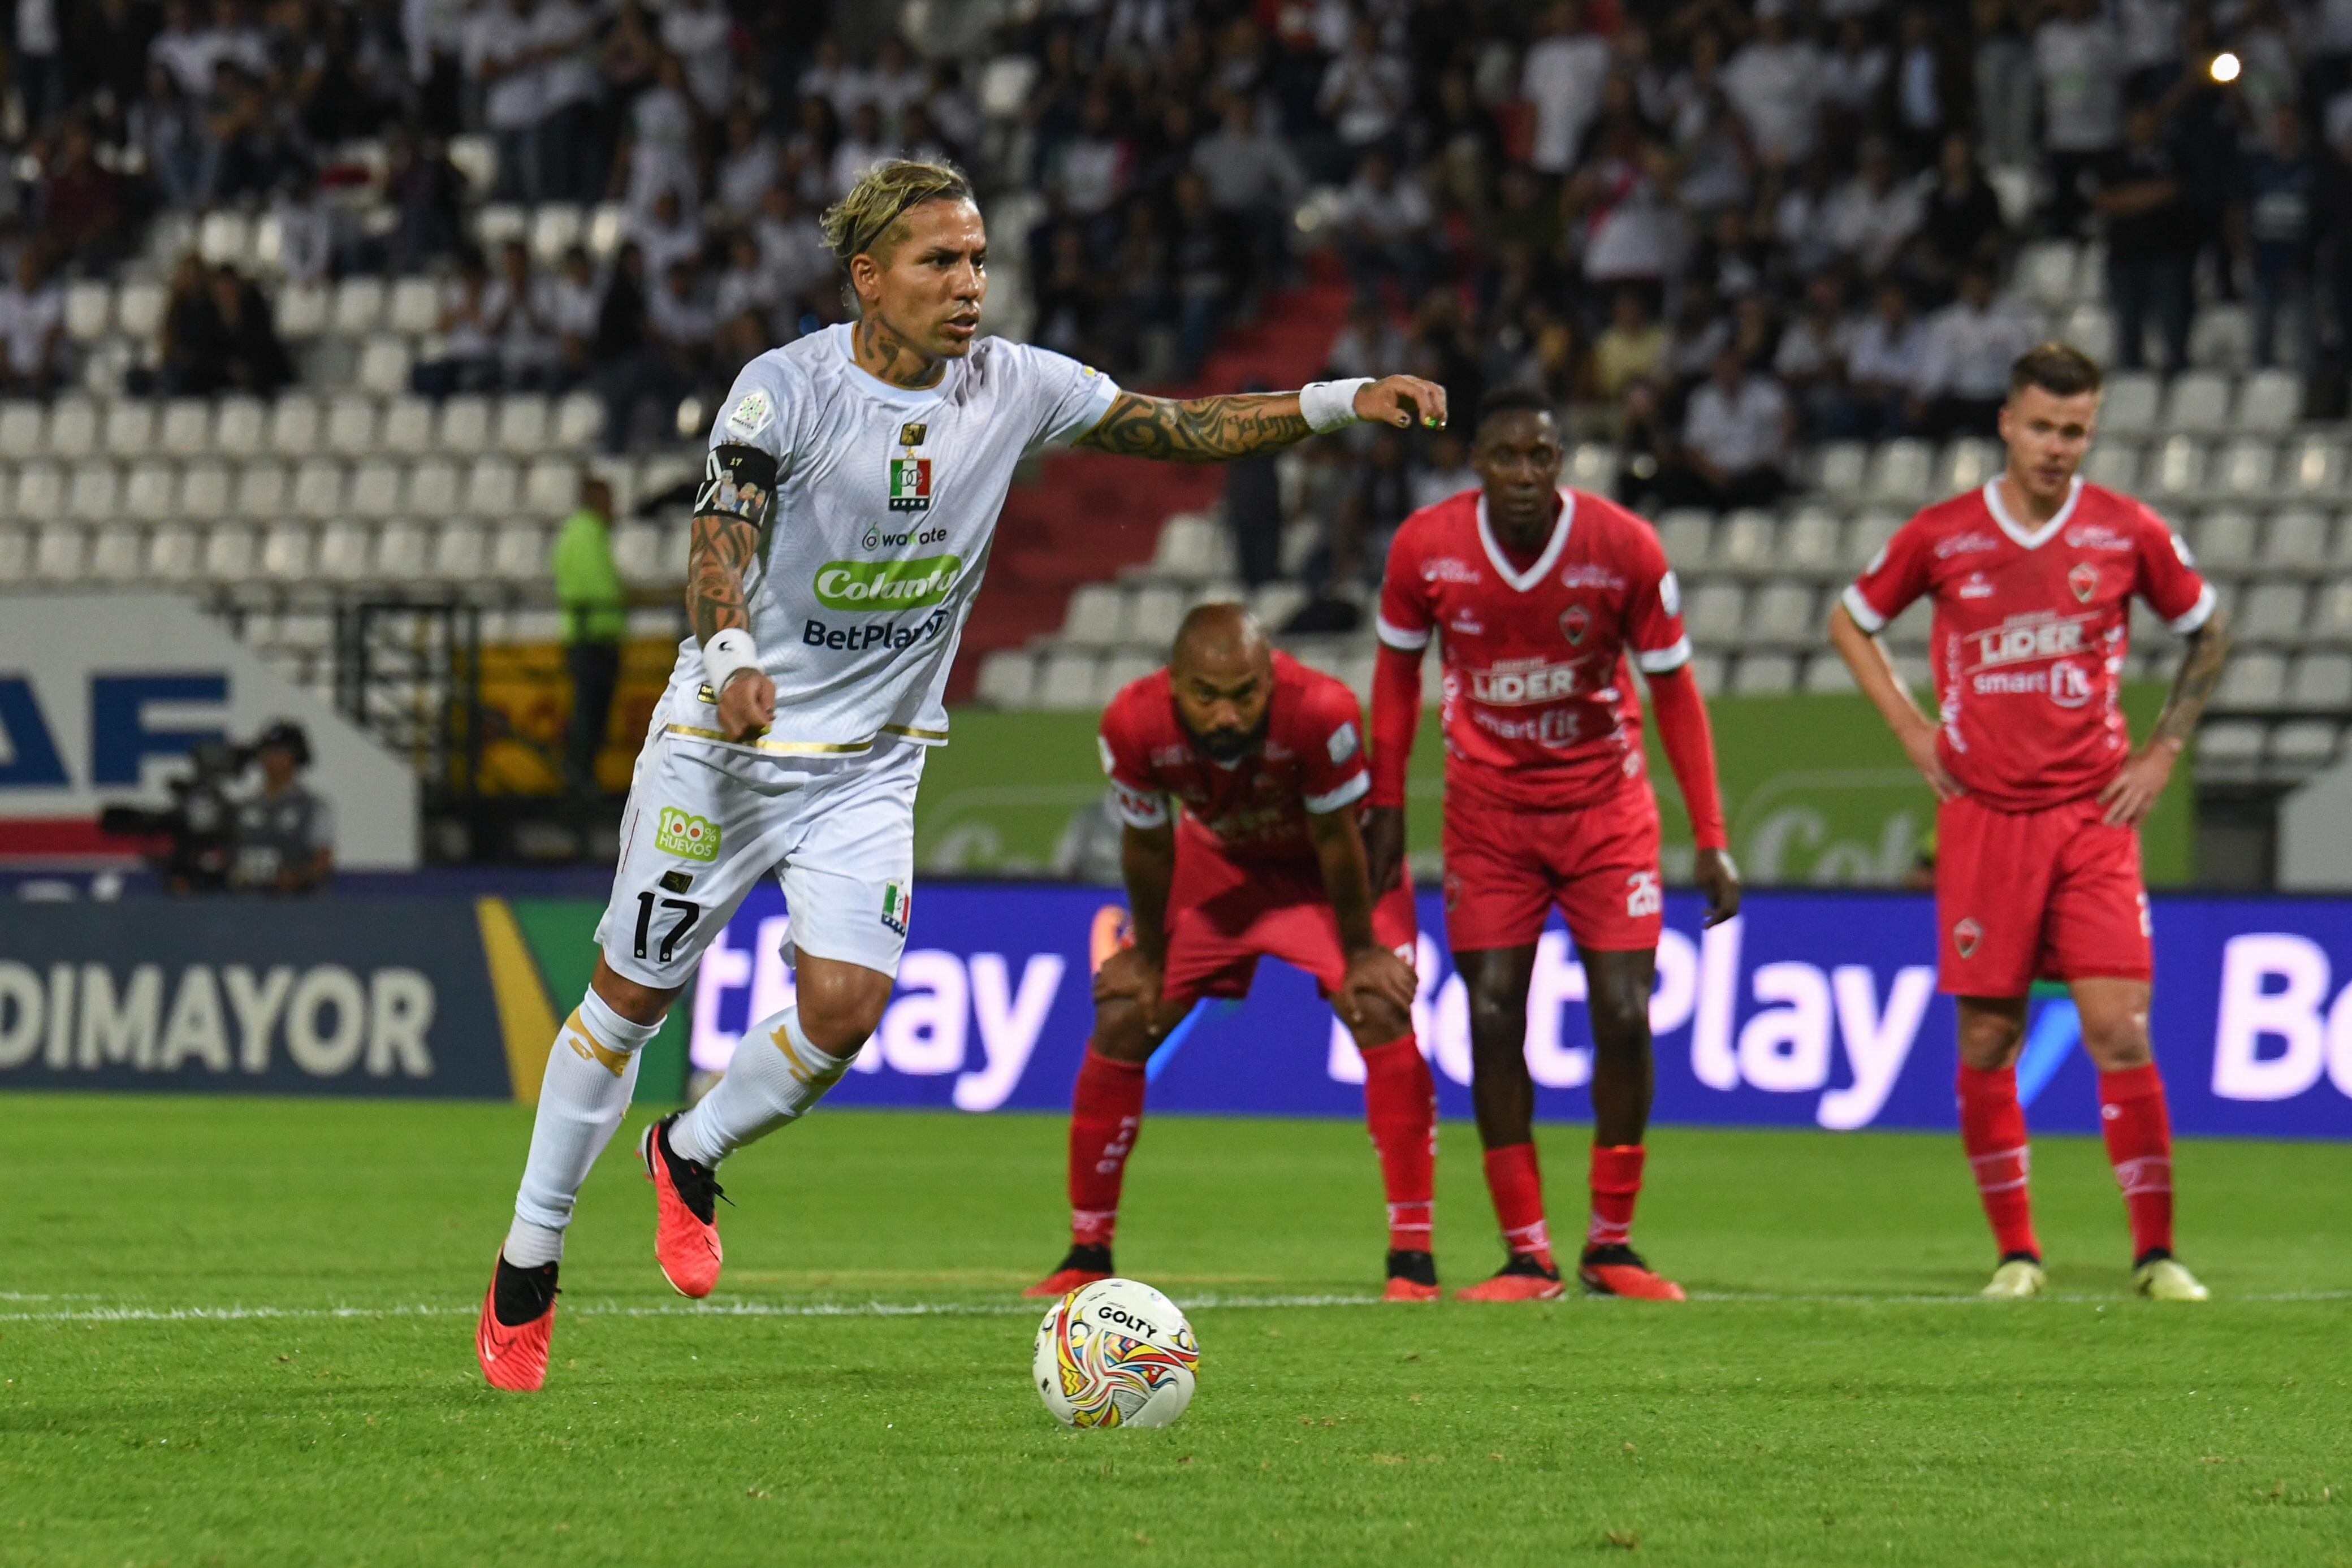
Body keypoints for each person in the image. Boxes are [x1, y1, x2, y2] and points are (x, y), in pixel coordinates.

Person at [476, 157, 1447, 1392]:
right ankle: (529, 1263)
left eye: (980, 260)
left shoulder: (1016, 384)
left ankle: (690, 1149)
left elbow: (1182, 426)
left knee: (845, 1008)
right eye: (941, 263)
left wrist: (1343, 395)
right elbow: (722, 535)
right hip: (724, 747)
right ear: (869, 278)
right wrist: (729, 662)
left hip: (872, 764)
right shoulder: (783, 390)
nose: (970, 285)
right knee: (626, 999)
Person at [1825, 343, 2230, 1304]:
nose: (2058, 447)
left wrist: (2164, 748)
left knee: (2119, 1028)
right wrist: (1912, 730)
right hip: (1985, 819)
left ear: (2093, 429)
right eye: (2044, 426)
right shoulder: (1946, 534)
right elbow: (1850, 617)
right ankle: (2017, 1253)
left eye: (2077, 430)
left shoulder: (2127, 531)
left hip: (2092, 813)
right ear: (2007, 422)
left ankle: (2156, 1253)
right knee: (1985, 1040)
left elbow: (2208, 627)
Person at [1364, 387, 1741, 1303]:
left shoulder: (1623, 547)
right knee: (1492, 1012)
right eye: (1506, 457)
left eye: (1542, 455)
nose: (1525, 474)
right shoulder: (1427, 548)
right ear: (1476, 464)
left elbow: (1677, 695)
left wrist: (1714, 834)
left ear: (1563, 460)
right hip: (1489, 819)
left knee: (1623, 1009)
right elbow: (1396, 677)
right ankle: (1527, 1253)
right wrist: (1385, 802)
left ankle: (1611, 1243)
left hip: (1607, 813)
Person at [1021, 606, 1429, 1303]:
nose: (1226, 716)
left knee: (1377, 1004)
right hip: (1218, 868)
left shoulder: (1322, 711)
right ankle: (1087, 1250)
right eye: (1205, 696)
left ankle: (1411, 1261)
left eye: (1245, 694)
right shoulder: (1131, 721)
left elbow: (1338, 840)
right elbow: (1149, 844)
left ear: (1270, 679)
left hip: (1327, 877)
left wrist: (1361, 950)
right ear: (1173, 683)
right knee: (1124, 1011)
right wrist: (1147, 953)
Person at [554, 474, 626, 796]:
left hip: (586, 636)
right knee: (591, 715)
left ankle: (579, 777)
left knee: (587, 712)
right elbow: (598, 587)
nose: (614, 508)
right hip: (595, 637)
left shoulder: (575, 532)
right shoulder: (588, 533)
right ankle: (580, 781)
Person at [228, 721, 334, 895]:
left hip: (296, 904)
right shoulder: (243, 808)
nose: (272, 758)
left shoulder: (314, 807)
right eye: (268, 751)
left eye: (281, 752)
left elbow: (323, 858)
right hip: (247, 904)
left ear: (296, 757)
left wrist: (298, 878)